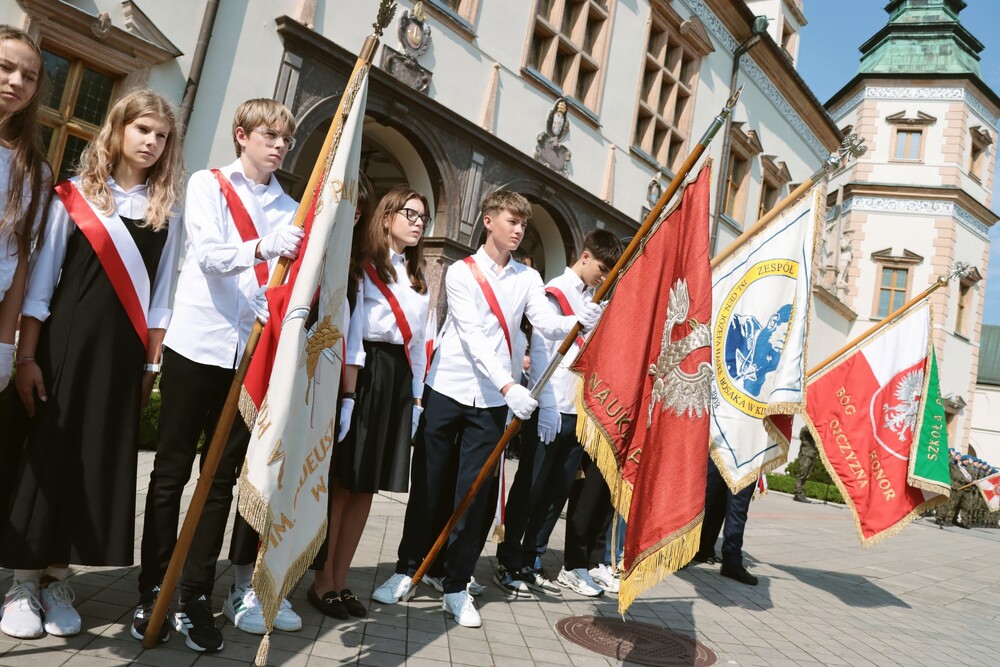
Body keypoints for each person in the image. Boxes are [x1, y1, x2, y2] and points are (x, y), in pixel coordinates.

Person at [372, 189, 603, 628]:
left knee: (474, 494)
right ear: (488, 221)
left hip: (494, 402)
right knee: (429, 484)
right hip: (451, 387)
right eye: (511, 221)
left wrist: (576, 321)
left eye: (523, 224)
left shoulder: (528, 279)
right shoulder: (461, 272)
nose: (518, 230)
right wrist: (510, 382)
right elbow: (474, 335)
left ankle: (456, 585)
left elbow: (544, 323)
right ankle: (408, 568)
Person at [1, 88, 183, 639]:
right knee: (48, 456)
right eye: (142, 130)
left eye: (161, 135)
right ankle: (23, 582)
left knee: (92, 459)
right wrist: (27, 355)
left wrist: (150, 368)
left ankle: (59, 577)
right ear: (118, 130)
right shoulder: (73, 198)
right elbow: (40, 286)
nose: (151, 142)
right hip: (61, 351)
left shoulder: (165, 213)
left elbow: (161, 301)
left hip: (122, 358)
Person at [132, 99, 303, 653]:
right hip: (196, 343)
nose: (279, 145)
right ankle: (152, 586)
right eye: (269, 135)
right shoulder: (208, 184)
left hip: (248, 358)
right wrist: (262, 247)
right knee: (171, 472)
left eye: (286, 138)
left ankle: (194, 596)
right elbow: (207, 255)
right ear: (242, 135)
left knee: (219, 482)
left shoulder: (290, 207)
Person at [305, 184, 430, 621]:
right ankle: (322, 582)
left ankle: (342, 581)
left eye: (422, 218)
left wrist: (416, 401)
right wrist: (349, 396)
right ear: (387, 216)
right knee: (344, 483)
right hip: (365, 373)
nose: (417, 223)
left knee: (367, 488)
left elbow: (419, 346)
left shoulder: (419, 279)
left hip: (399, 382)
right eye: (410, 214)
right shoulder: (362, 268)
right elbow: (350, 332)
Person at [494, 230, 621, 599]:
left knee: (556, 494)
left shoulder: (590, 300)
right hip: (549, 408)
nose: (603, 276)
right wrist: (547, 405)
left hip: (576, 410)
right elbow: (544, 350)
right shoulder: (555, 292)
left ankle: (532, 558)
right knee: (530, 490)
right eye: (601, 267)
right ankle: (508, 560)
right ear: (584, 256)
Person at [0, 26, 50, 396]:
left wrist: (5, 345)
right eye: (6, 67)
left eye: (29, 76)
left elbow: (19, 259)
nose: (16, 81)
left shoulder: (34, 170)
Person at [693, 462, 758, 586]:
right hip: (719, 446)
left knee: (738, 506)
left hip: (749, 452)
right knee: (709, 496)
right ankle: (698, 548)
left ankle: (732, 560)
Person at [794, 425, 818, 503]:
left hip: (811, 454)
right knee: (802, 474)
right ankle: (798, 494)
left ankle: (802, 493)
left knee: (806, 475)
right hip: (806, 454)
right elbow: (803, 430)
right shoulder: (810, 427)